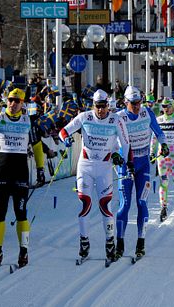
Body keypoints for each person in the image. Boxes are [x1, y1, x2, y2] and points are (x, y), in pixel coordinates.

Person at [58, 89, 132, 262]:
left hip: (104, 167)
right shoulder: (84, 117)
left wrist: (121, 157)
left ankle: (110, 243)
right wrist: (66, 140)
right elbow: (63, 131)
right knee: (85, 203)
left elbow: (125, 142)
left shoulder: (116, 119)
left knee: (105, 206)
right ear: (93, 105)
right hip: (85, 166)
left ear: (108, 105)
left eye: (103, 106)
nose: (100, 110)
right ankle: (84, 242)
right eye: (97, 106)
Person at [0, 88, 45, 269]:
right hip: (2, 172)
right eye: (10, 100)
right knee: (0, 213)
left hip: (20, 173)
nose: (12, 103)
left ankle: (23, 251)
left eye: (16, 101)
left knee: (21, 213)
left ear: (23, 103)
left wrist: (40, 169)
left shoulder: (28, 121)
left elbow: (37, 145)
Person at [115, 86, 168, 260]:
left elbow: (158, 132)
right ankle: (120, 243)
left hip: (143, 163)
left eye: (139, 102)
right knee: (125, 205)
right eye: (133, 103)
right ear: (125, 102)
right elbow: (113, 140)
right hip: (126, 165)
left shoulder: (147, 112)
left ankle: (141, 242)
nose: (137, 107)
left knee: (141, 202)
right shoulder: (120, 117)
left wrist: (164, 144)